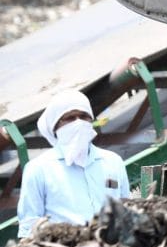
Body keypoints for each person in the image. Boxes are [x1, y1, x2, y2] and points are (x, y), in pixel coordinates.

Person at [16, 90, 130, 238]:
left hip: (112, 246)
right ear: (55, 127)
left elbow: (125, 206)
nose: (78, 123)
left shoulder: (113, 161)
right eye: (69, 118)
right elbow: (29, 225)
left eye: (84, 116)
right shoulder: (38, 169)